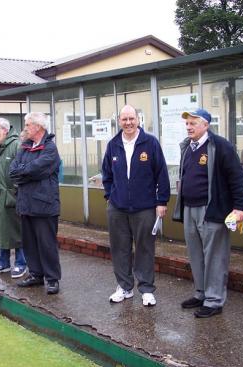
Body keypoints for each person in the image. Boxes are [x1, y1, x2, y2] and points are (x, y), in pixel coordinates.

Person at [173, 108, 243, 318]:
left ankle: (214, 300)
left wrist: (240, 207)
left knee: (215, 256)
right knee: (196, 255)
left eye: (193, 123)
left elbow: (237, 178)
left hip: (212, 210)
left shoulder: (221, 146)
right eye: (187, 123)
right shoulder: (187, 147)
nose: (188, 127)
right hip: (189, 208)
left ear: (206, 125)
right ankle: (201, 293)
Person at [102, 105, 170, 306]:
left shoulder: (150, 143)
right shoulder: (113, 144)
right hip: (118, 208)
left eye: (131, 118)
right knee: (119, 248)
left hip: (145, 207)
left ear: (138, 119)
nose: (128, 123)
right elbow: (107, 174)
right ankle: (124, 287)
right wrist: (110, 196)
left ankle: (146, 289)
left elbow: (162, 174)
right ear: (119, 121)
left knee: (144, 248)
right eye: (124, 119)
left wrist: (162, 201)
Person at [10, 112, 61, 295]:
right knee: (29, 242)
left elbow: (39, 169)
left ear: (38, 127)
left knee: (47, 243)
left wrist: (24, 173)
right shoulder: (24, 147)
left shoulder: (50, 148)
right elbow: (13, 171)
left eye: (28, 125)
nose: (25, 128)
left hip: (44, 204)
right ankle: (36, 274)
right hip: (26, 203)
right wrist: (26, 173)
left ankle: (52, 278)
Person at [0, 118, 27, 278]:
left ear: (5, 130)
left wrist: (16, 191)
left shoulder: (17, 146)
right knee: (1, 231)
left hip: (14, 196)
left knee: (17, 230)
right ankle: (3, 262)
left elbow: (23, 171)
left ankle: (21, 263)